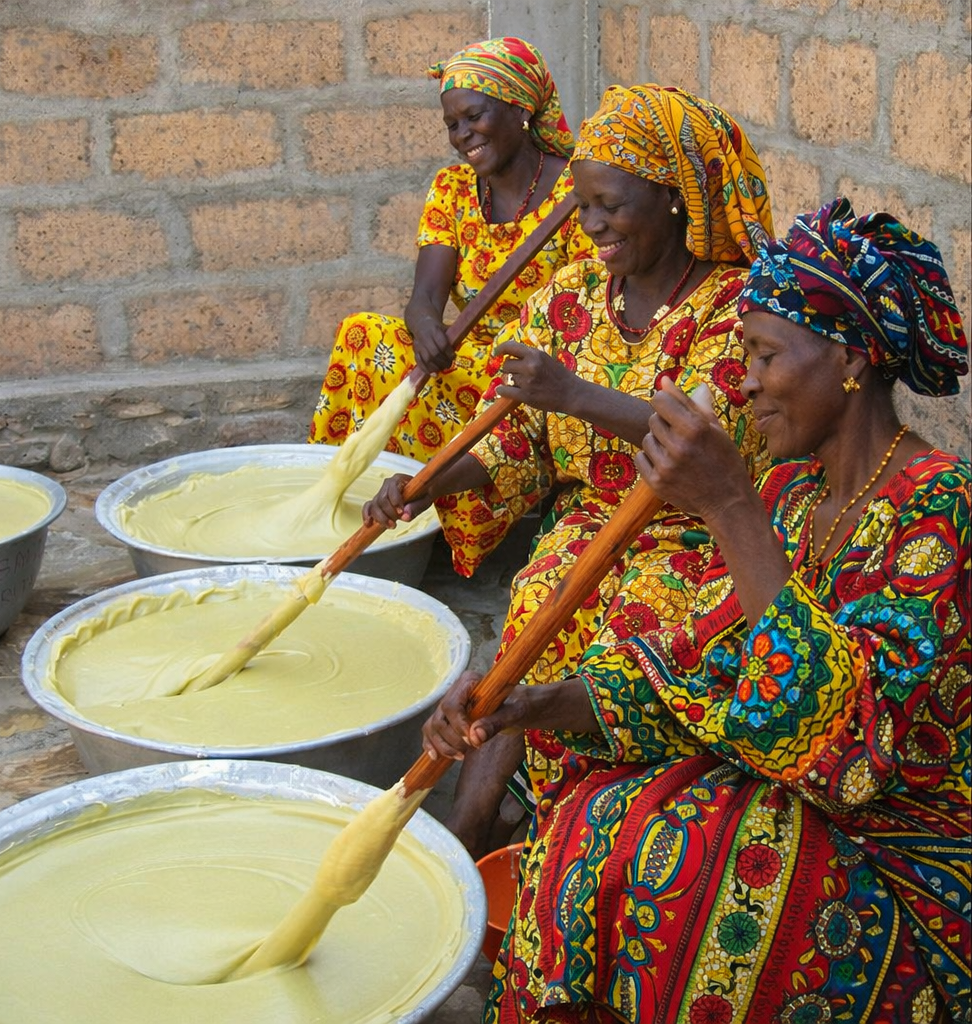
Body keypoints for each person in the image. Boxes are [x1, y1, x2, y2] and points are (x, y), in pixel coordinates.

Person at [423, 197, 970, 1024]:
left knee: (684, 874)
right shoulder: (791, 492)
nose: (743, 381)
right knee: (583, 823)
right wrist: (527, 705)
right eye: (743, 352)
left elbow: (848, 756)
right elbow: (697, 668)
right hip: (792, 794)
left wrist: (728, 506)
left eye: (766, 355)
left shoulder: (940, 510)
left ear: (852, 360)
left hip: (903, 859)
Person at [365, 85, 774, 856]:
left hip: (699, 539)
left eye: (610, 207)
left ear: (674, 198)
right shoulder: (575, 298)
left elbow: (705, 439)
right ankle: (474, 825)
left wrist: (573, 393)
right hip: (592, 520)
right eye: (582, 206)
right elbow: (515, 436)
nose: (590, 227)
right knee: (534, 608)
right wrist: (424, 487)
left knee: (620, 641)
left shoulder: (735, 307)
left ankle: (576, 834)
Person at [309, 36, 595, 460]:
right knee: (362, 333)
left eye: (474, 116)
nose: (462, 135)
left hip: (534, 375)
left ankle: (426, 502)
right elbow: (425, 297)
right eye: (452, 125)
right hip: (464, 360)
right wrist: (426, 327)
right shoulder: (453, 189)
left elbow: (587, 313)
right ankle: (345, 484)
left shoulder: (578, 190)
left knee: (441, 392)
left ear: (519, 107)